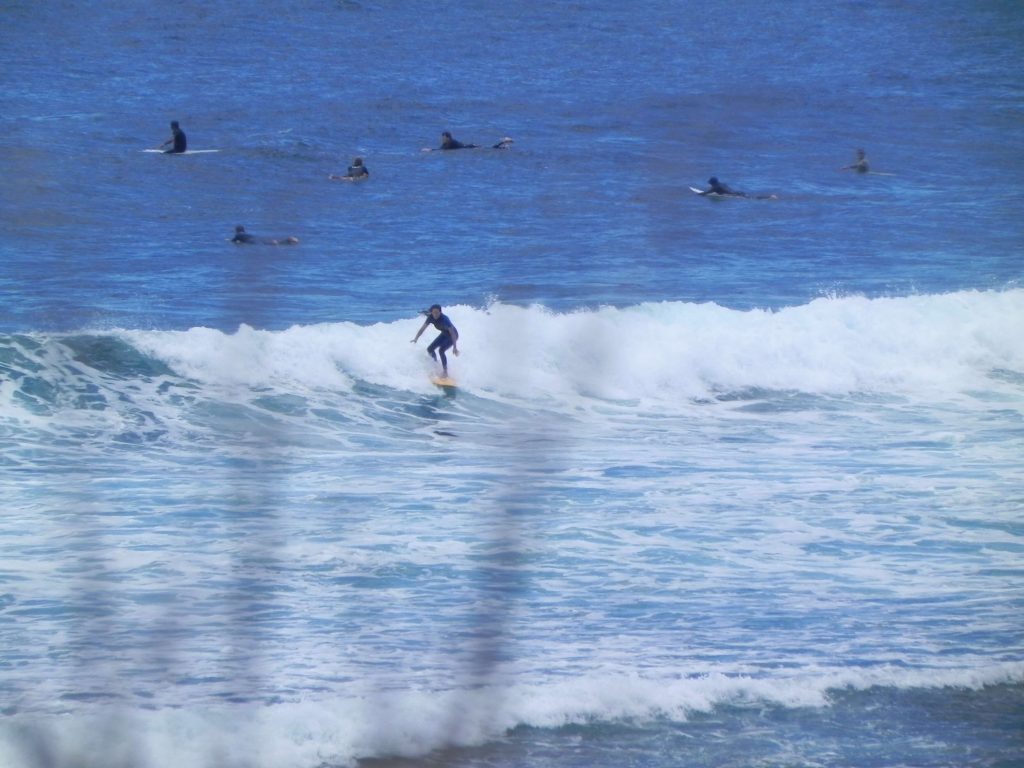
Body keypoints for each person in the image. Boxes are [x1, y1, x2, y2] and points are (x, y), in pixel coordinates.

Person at [411, 304, 459, 377]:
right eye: (434, 313)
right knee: (430, 349)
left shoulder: (445, 319)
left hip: (453, 336)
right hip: (444, 334)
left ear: (440, 312)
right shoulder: (430, 317)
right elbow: (422, 329)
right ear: (431, 313)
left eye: (437, 312)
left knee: (441, 350)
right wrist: (415, 339)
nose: (435, 314)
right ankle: (435, 365)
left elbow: (452, 333)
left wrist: (455, 347)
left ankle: (445, 372)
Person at [230, 225, 299, 245]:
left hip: (251, 241)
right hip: (254, 238)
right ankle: (288, 241)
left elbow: (233, 241)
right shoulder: (245, 234)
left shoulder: (238, 235)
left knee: (270, 244)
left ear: (237, 231)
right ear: (244, 230)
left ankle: (288, 240)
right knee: (267, 242)